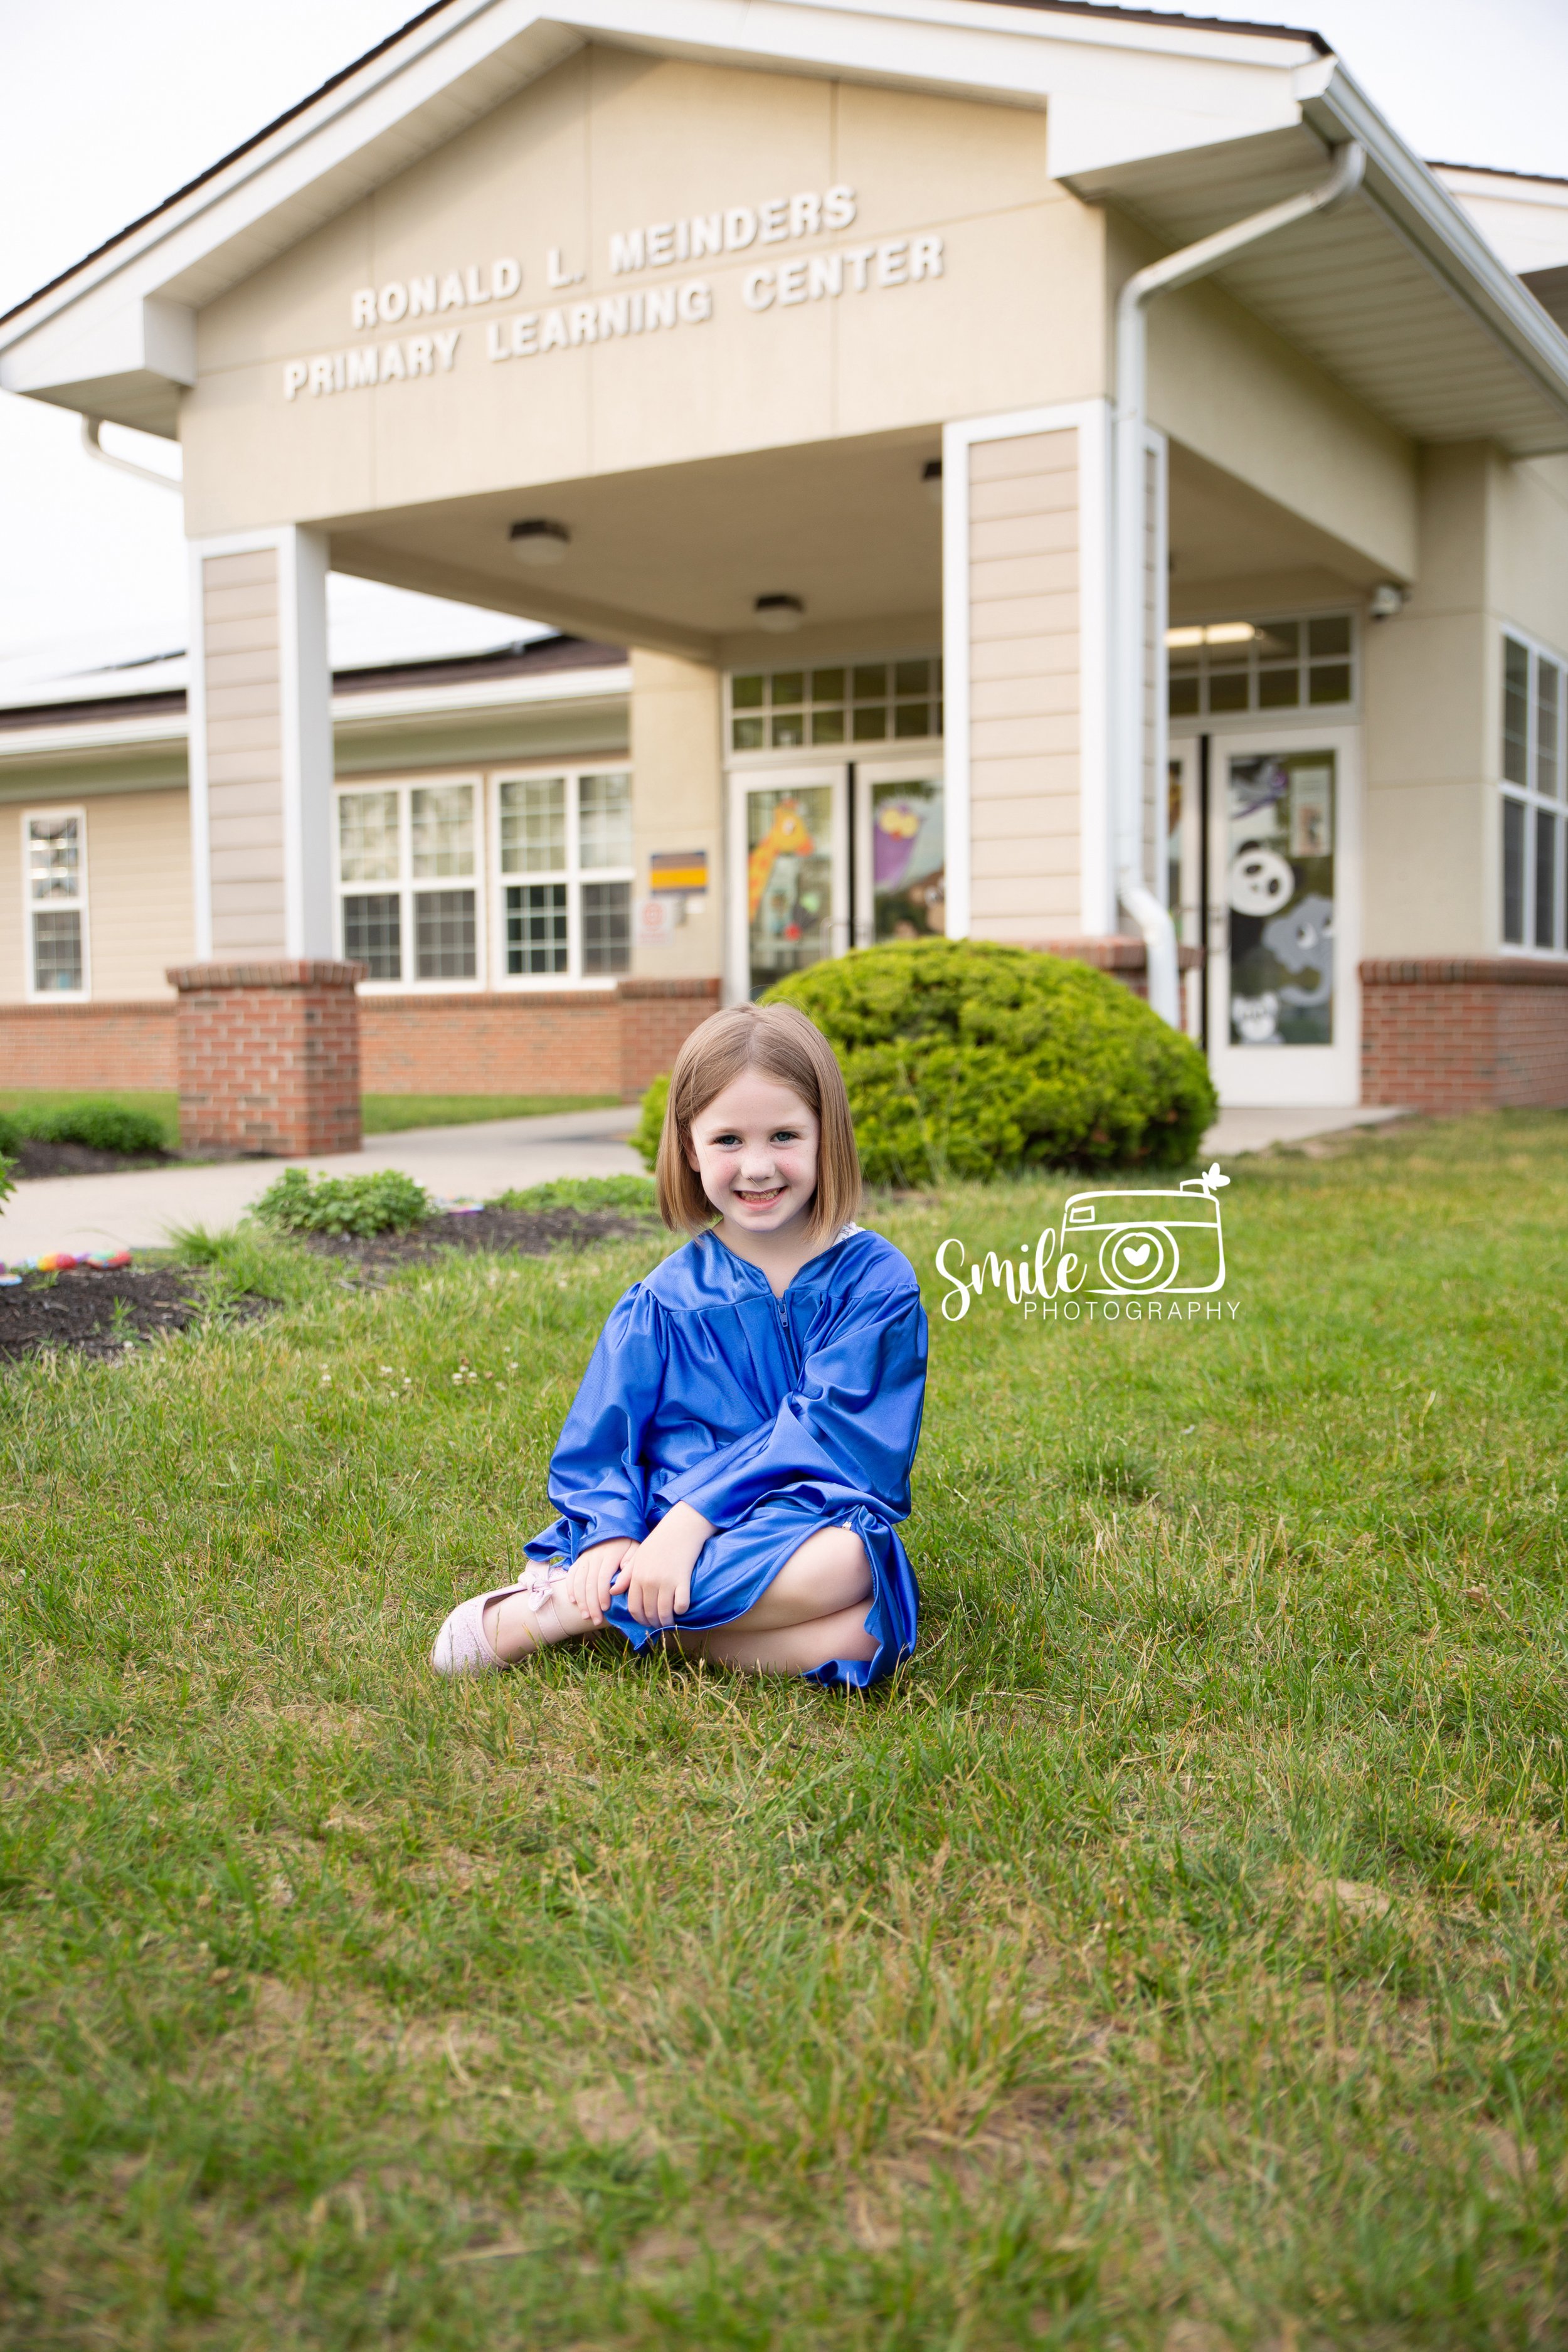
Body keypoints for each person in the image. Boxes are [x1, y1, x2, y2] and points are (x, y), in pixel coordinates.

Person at [431, 1000, 926, 1686]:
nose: (757, 1168)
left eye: (784, 1136)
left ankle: (596, 1612)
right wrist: (612, 1532)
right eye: (728, 1141)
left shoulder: (874, 1282)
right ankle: (577, 1605)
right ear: (690, 1149)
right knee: (853, 1617)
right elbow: (604, 1437)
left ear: (826, 1136)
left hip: (798, 1517)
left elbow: (838, 1434)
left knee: (859, 1590)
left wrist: (695, 1521)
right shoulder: (666, 1298)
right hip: (665, 1519)